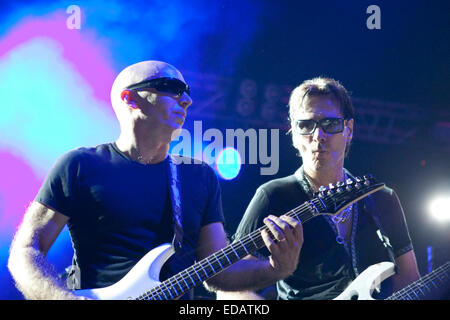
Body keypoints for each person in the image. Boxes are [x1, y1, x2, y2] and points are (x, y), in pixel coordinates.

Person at [7, 60, 303, 300]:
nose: (186, 100)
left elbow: (217, 273)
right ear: (130, 98)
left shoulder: (199, 176)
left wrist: (277, 268)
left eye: (186, 91)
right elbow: (26, 250)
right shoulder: (80, 165)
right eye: (171, 88)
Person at [217, 77, 420, 300]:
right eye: (305, 125)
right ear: (293, 134)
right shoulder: (273, 196)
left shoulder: (382, 199)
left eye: (330, 124)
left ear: (349, 129)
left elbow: (409, 280)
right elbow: (231, 288)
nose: (318, 136)